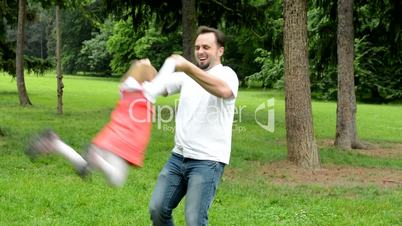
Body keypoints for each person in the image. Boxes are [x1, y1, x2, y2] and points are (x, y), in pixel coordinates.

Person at [26, 59, 175, 187]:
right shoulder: (148, 91)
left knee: (84, 165)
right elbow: (163, 78)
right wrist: (173, 61)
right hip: (124, 140)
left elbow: (132, 76)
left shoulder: (125, 88)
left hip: (109, 137)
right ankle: (95, 158)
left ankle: (56, 144)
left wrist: (141, 66)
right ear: (148, 79)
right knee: (117, 180)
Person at [147, 26, 239, 226]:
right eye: (197, 47)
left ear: (220, 51)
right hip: (178, 157)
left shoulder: (227, 74)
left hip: (207, 161)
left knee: (194, 221)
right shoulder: (187, 76)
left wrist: (188, 68)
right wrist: (148, 71)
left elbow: (223, 90)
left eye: (206, 47)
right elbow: (160, 87)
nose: (200, 51)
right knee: (157, 209)